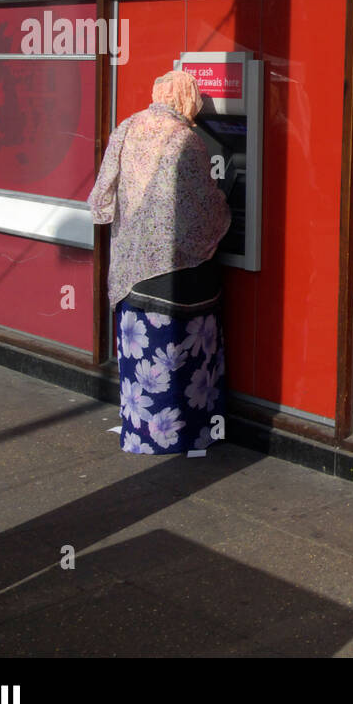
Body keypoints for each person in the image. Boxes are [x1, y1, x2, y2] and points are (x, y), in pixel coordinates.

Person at [88, 70, 232, 455]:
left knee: (142, 362)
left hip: (131, 275)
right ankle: (186, 436)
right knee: (183, 363)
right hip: (178, 276)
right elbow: (204, 212)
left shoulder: (127, 127)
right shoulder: (186, 140)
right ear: (186, 99)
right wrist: (224, 205)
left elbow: (100, 198)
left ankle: (140, 435)